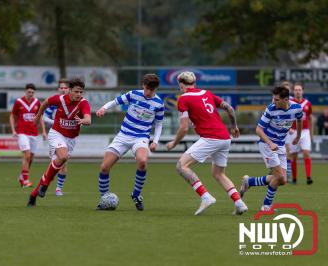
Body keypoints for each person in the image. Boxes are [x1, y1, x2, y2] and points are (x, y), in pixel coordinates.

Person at [166, 71, 247, 215]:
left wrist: (173, 143)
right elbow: (229, 108)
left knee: (181, 166)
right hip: (224, 138)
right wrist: (234, 126)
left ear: (181, 85)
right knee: (218, 173)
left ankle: (205, 196)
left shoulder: (183, 99)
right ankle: (239, 203)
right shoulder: (207, 93)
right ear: (194, 83)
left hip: (211, 138)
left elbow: (183, 128)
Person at [95, 73, 164, 211]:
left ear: (156, 88)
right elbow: (115, 101)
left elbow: (159, 124)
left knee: (142, 161)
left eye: (152, 90)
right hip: (123, 136)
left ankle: (136, 194)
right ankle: (105, 198)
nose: (149, 92)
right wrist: (104, 108)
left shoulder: (158, 103)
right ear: (143, 85)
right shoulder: (133, 94)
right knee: (104, 167)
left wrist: (155, 141)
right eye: (147, 89)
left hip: (141, 137)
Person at [27, 78, 91, 207]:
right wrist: (38, 117)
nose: (79, 94)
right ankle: (45, 185)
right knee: (63, 157)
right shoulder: (59, 99)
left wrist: (84, 121)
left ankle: (34, 194)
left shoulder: (84, 103)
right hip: (57, 134)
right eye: (76, 91)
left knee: (57, 164)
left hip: (71, 139)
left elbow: (88, 119)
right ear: (69, 90)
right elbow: (44, 103)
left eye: (81, 92)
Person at [240, 86, 303, 211]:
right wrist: (270, 143)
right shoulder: (271, 109)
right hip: (266, 144)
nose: (273, 102)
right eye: (273, 99)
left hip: (279, 145)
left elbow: (300, 120)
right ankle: (266, 206)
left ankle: (250, 182)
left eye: (277, 99)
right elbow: (258, 130)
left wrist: (298, 136)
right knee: (279, 176)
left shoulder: (297, 108)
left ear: (286, 100)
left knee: (283, 180)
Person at [10, 83, 46, 188]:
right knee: (27, 154)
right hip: (22, 133)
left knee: (31, 157)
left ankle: (22, 176)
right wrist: (13, 130)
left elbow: (40, 117)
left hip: (34, 133)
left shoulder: (37, 102)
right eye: (29, 92)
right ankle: (25, 181)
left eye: (32, 92)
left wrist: (43, 131)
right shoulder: (19, 102)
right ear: (25, 91)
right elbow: (12, 116)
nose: (30, 94)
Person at [43, 79, 70, 196]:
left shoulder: (73, 102)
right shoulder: (55, 102)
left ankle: (58, 189)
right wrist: (55, 122)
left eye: (65, 88)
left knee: (64, 163)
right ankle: (45, 183)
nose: (63, 90)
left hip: (68, 136)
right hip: (56, 135)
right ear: (58, 89)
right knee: (55, 164)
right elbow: (44, 117)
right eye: (61, 88)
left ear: (69, 89)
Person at [286, 82, 313, 185]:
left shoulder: (307, 103)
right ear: (293, 91)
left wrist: (311, 133)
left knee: (306, 153)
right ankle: (294, 179)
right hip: (293, 131)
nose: (298, 91)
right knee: (294, 156)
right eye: (296, 90)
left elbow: (310, 118)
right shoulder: (289, 103)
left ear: (303, 91)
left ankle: (308, 177)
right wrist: (289, 128)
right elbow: (286, 117)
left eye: (299, 89)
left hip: (305, 131)